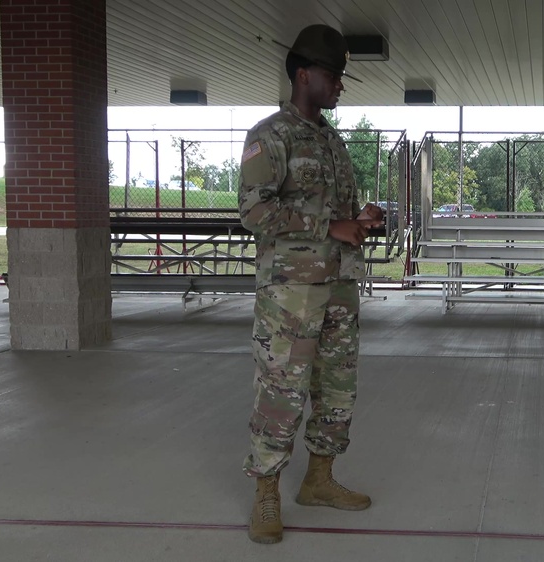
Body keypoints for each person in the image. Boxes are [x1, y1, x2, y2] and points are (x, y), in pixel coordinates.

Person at [237, 23, 384, 545]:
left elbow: (334, 213)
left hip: (340, 286)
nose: (341, 85)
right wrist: (329, 226)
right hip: (291, 295)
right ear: (304, 76)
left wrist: (360, 218)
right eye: (333, 75)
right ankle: (266, 493)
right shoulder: (270, 135)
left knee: (336, 389)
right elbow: (254, 211)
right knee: (281, 391)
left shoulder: (331, 139)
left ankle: (319, 480)